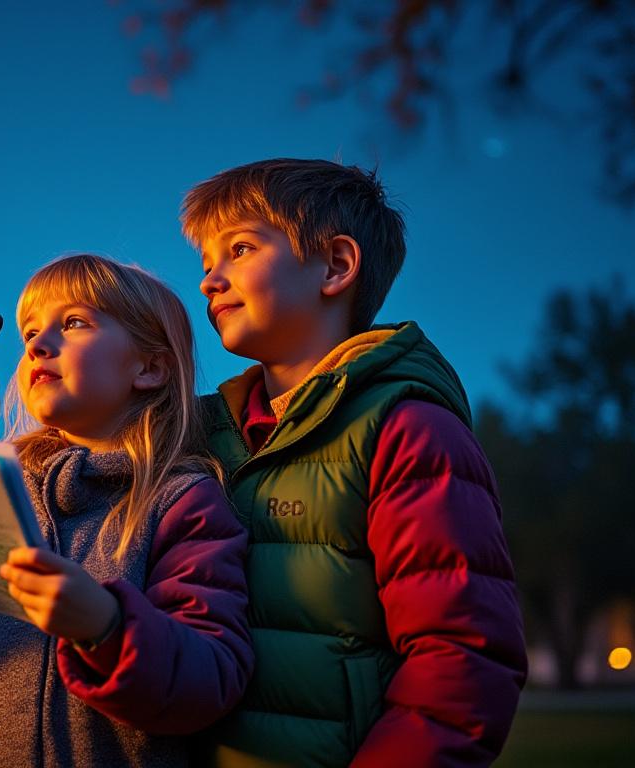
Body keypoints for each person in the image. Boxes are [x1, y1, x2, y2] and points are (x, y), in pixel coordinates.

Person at [0, 253, 254, 767]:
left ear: (149, 367)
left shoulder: (180, 501)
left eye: (74, 323)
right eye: (30, 331)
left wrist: (105, 625)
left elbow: (210, 678)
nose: (37, 344)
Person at [182, 159, 528, 767]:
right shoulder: (198, 435)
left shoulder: (408, 430)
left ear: (337, 266)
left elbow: (462, 657)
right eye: (206, 263)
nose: (211, 280)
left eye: (239, 249)